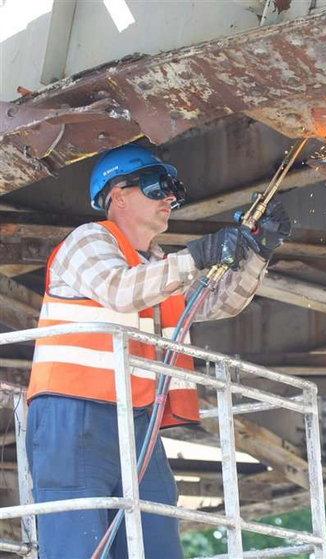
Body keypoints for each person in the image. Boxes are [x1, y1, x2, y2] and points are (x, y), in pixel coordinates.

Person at [25, 144, 291, 558]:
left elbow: (217, 302)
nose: (169, 197)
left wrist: (257, 253)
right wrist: (198, 255)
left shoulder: (156, 265)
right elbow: (119, 289)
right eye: (157, 186)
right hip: (74, 413)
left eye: (173, 190)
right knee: (76, 543)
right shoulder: (88, 240)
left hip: (137, 418)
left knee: (156, 538)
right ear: (118, 195)